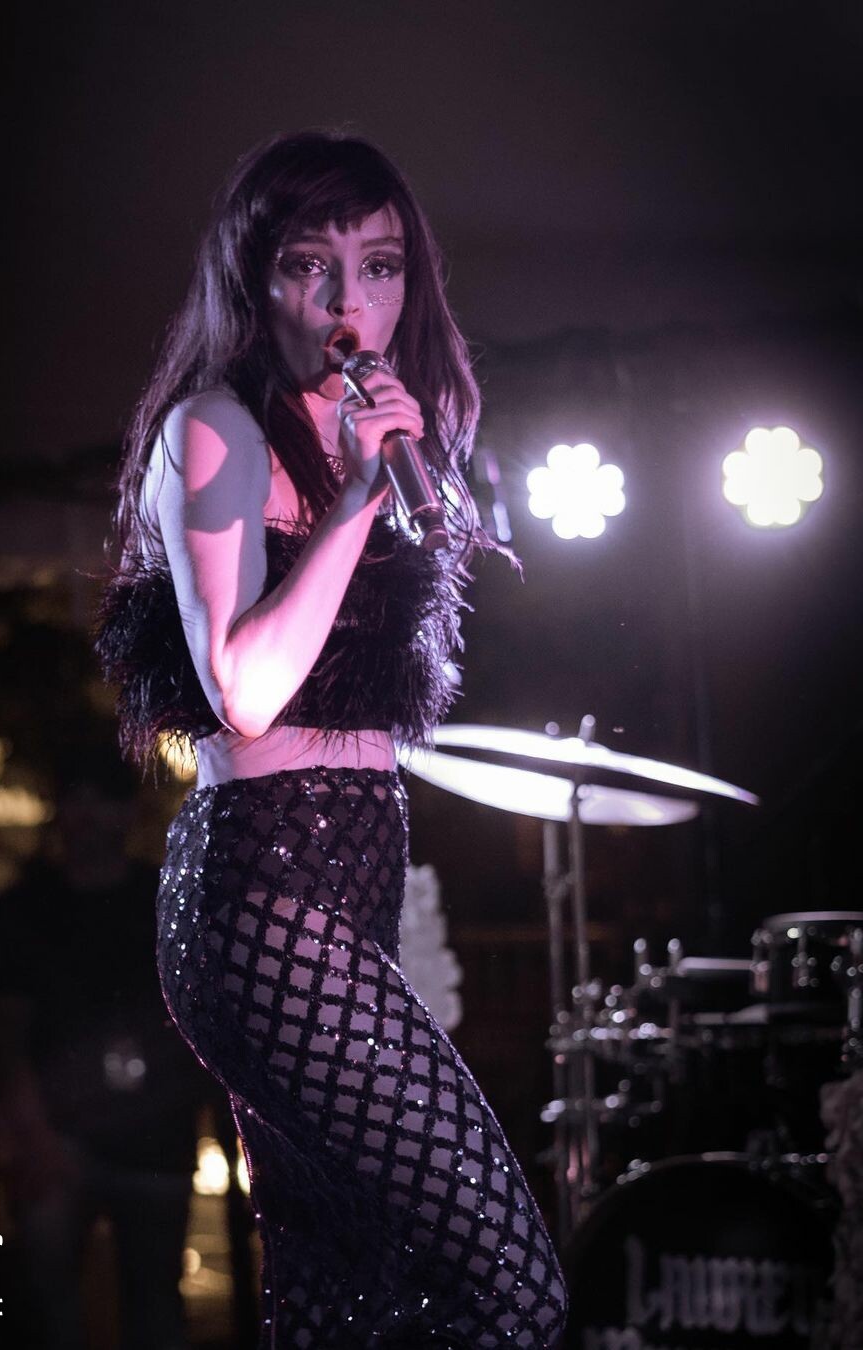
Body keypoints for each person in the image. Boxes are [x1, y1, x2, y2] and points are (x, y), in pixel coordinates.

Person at [95, 130, 567, 1349]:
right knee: (513, 1284)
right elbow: (245, 690)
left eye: (381, 265)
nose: (352, 302)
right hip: (263, 889)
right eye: (313, 265)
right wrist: (355, 501)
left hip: (351, 882)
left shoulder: (390, 432)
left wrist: (379, 479)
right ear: (257, 280)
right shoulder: (218, 430)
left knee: (342, 1295)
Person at [0, 744, 209, 1350]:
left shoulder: (165, 901)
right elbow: (1, 1038)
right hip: (55, 1144)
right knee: (42, 1308)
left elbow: (199, 1019)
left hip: (156, 1145)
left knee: (155, 1309)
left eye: (104, 799)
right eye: (77, 798)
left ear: (128, 811)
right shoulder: (20, 912)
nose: (89, 815)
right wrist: (31, 1139)